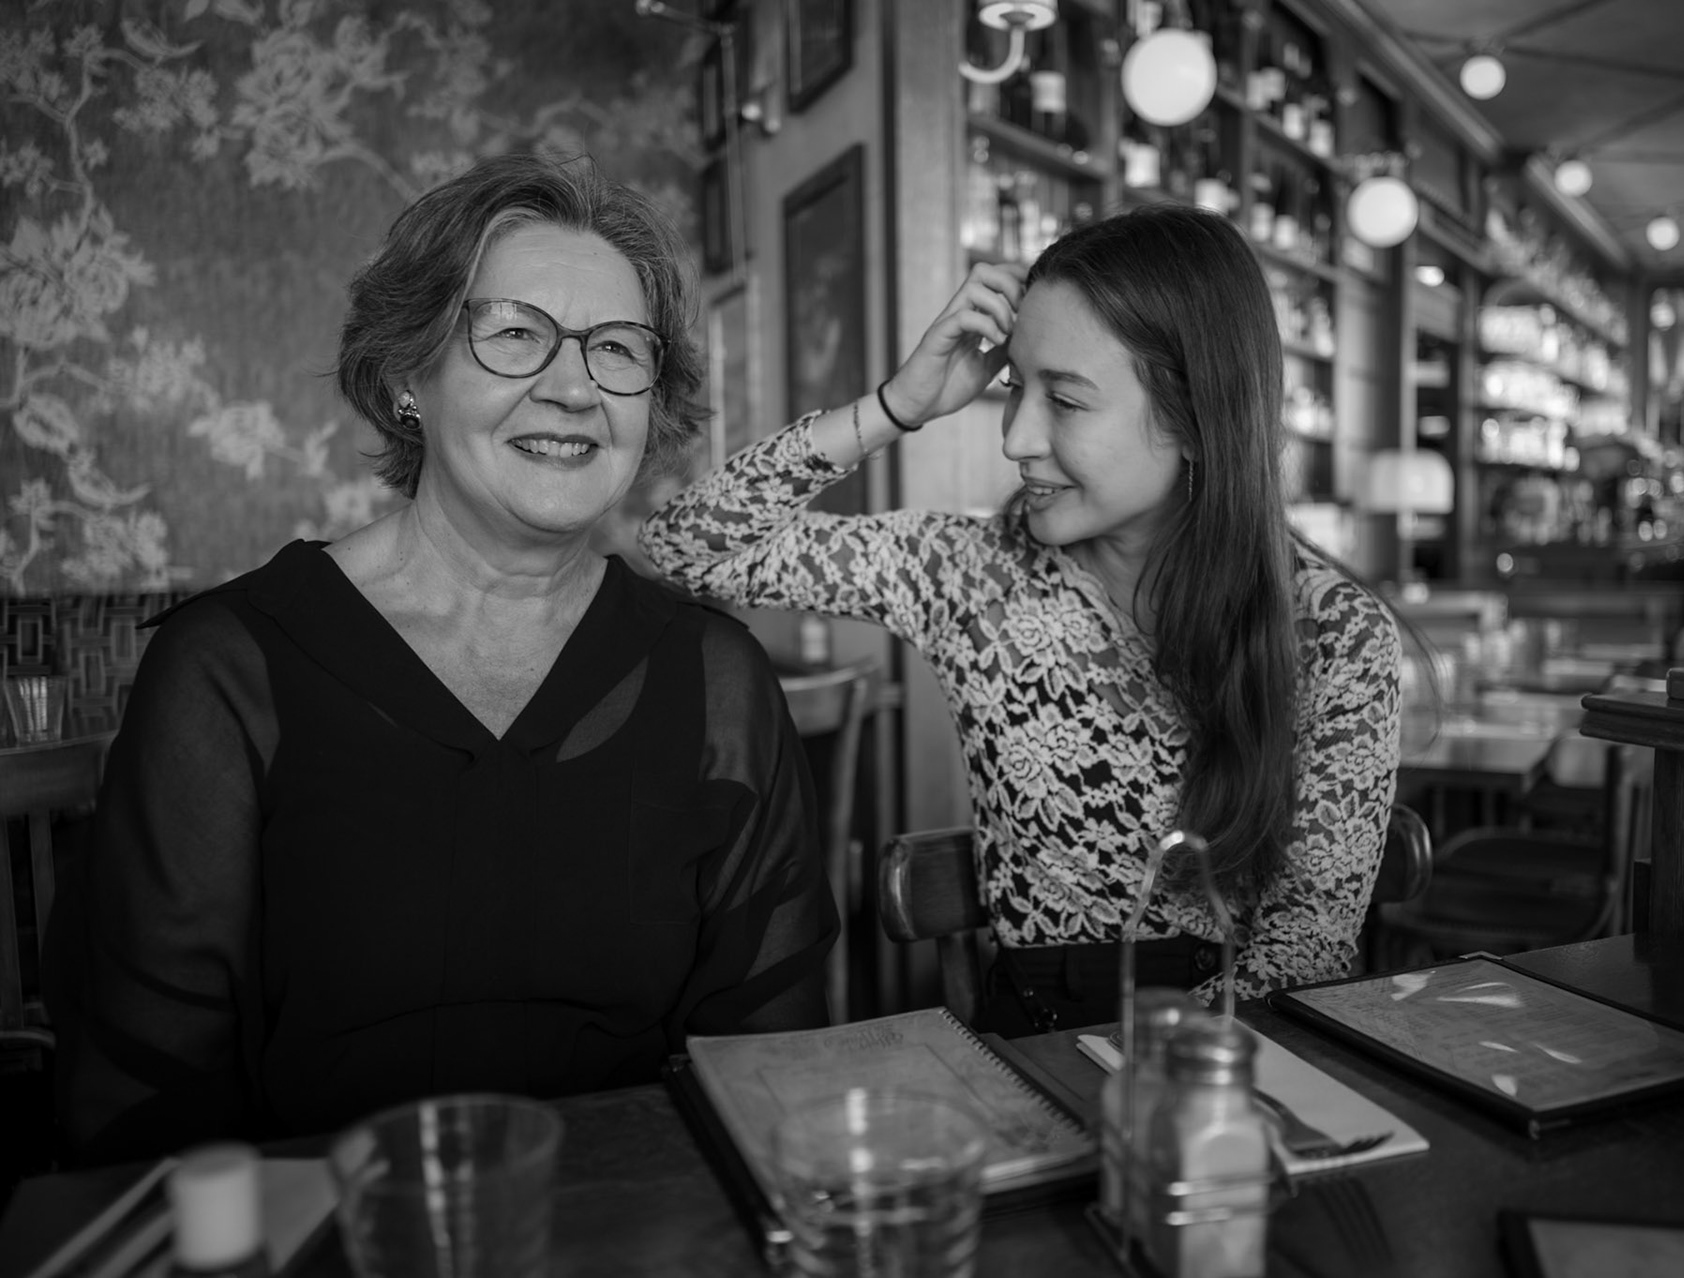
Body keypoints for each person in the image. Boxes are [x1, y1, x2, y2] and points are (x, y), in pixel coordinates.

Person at [49, 153, 837, 1164]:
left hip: (648, 1221)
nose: (573, 387)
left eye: (616, 349)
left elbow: (773, 1063)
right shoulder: (229, 672)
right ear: (406, 377)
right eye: (514, 335)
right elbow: (147, 1106)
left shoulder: (717, 678)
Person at [642, 203, 1400, 1035]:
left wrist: (1146, 1074)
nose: (1016, 439)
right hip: (1033, 1043)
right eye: (1014, 389)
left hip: (1232, 1055)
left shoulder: (1335, 635)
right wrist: (898, 404)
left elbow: (1307, 946)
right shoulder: (970, 573)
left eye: (1065, 401)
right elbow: (685, 545)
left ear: (1196, 419)